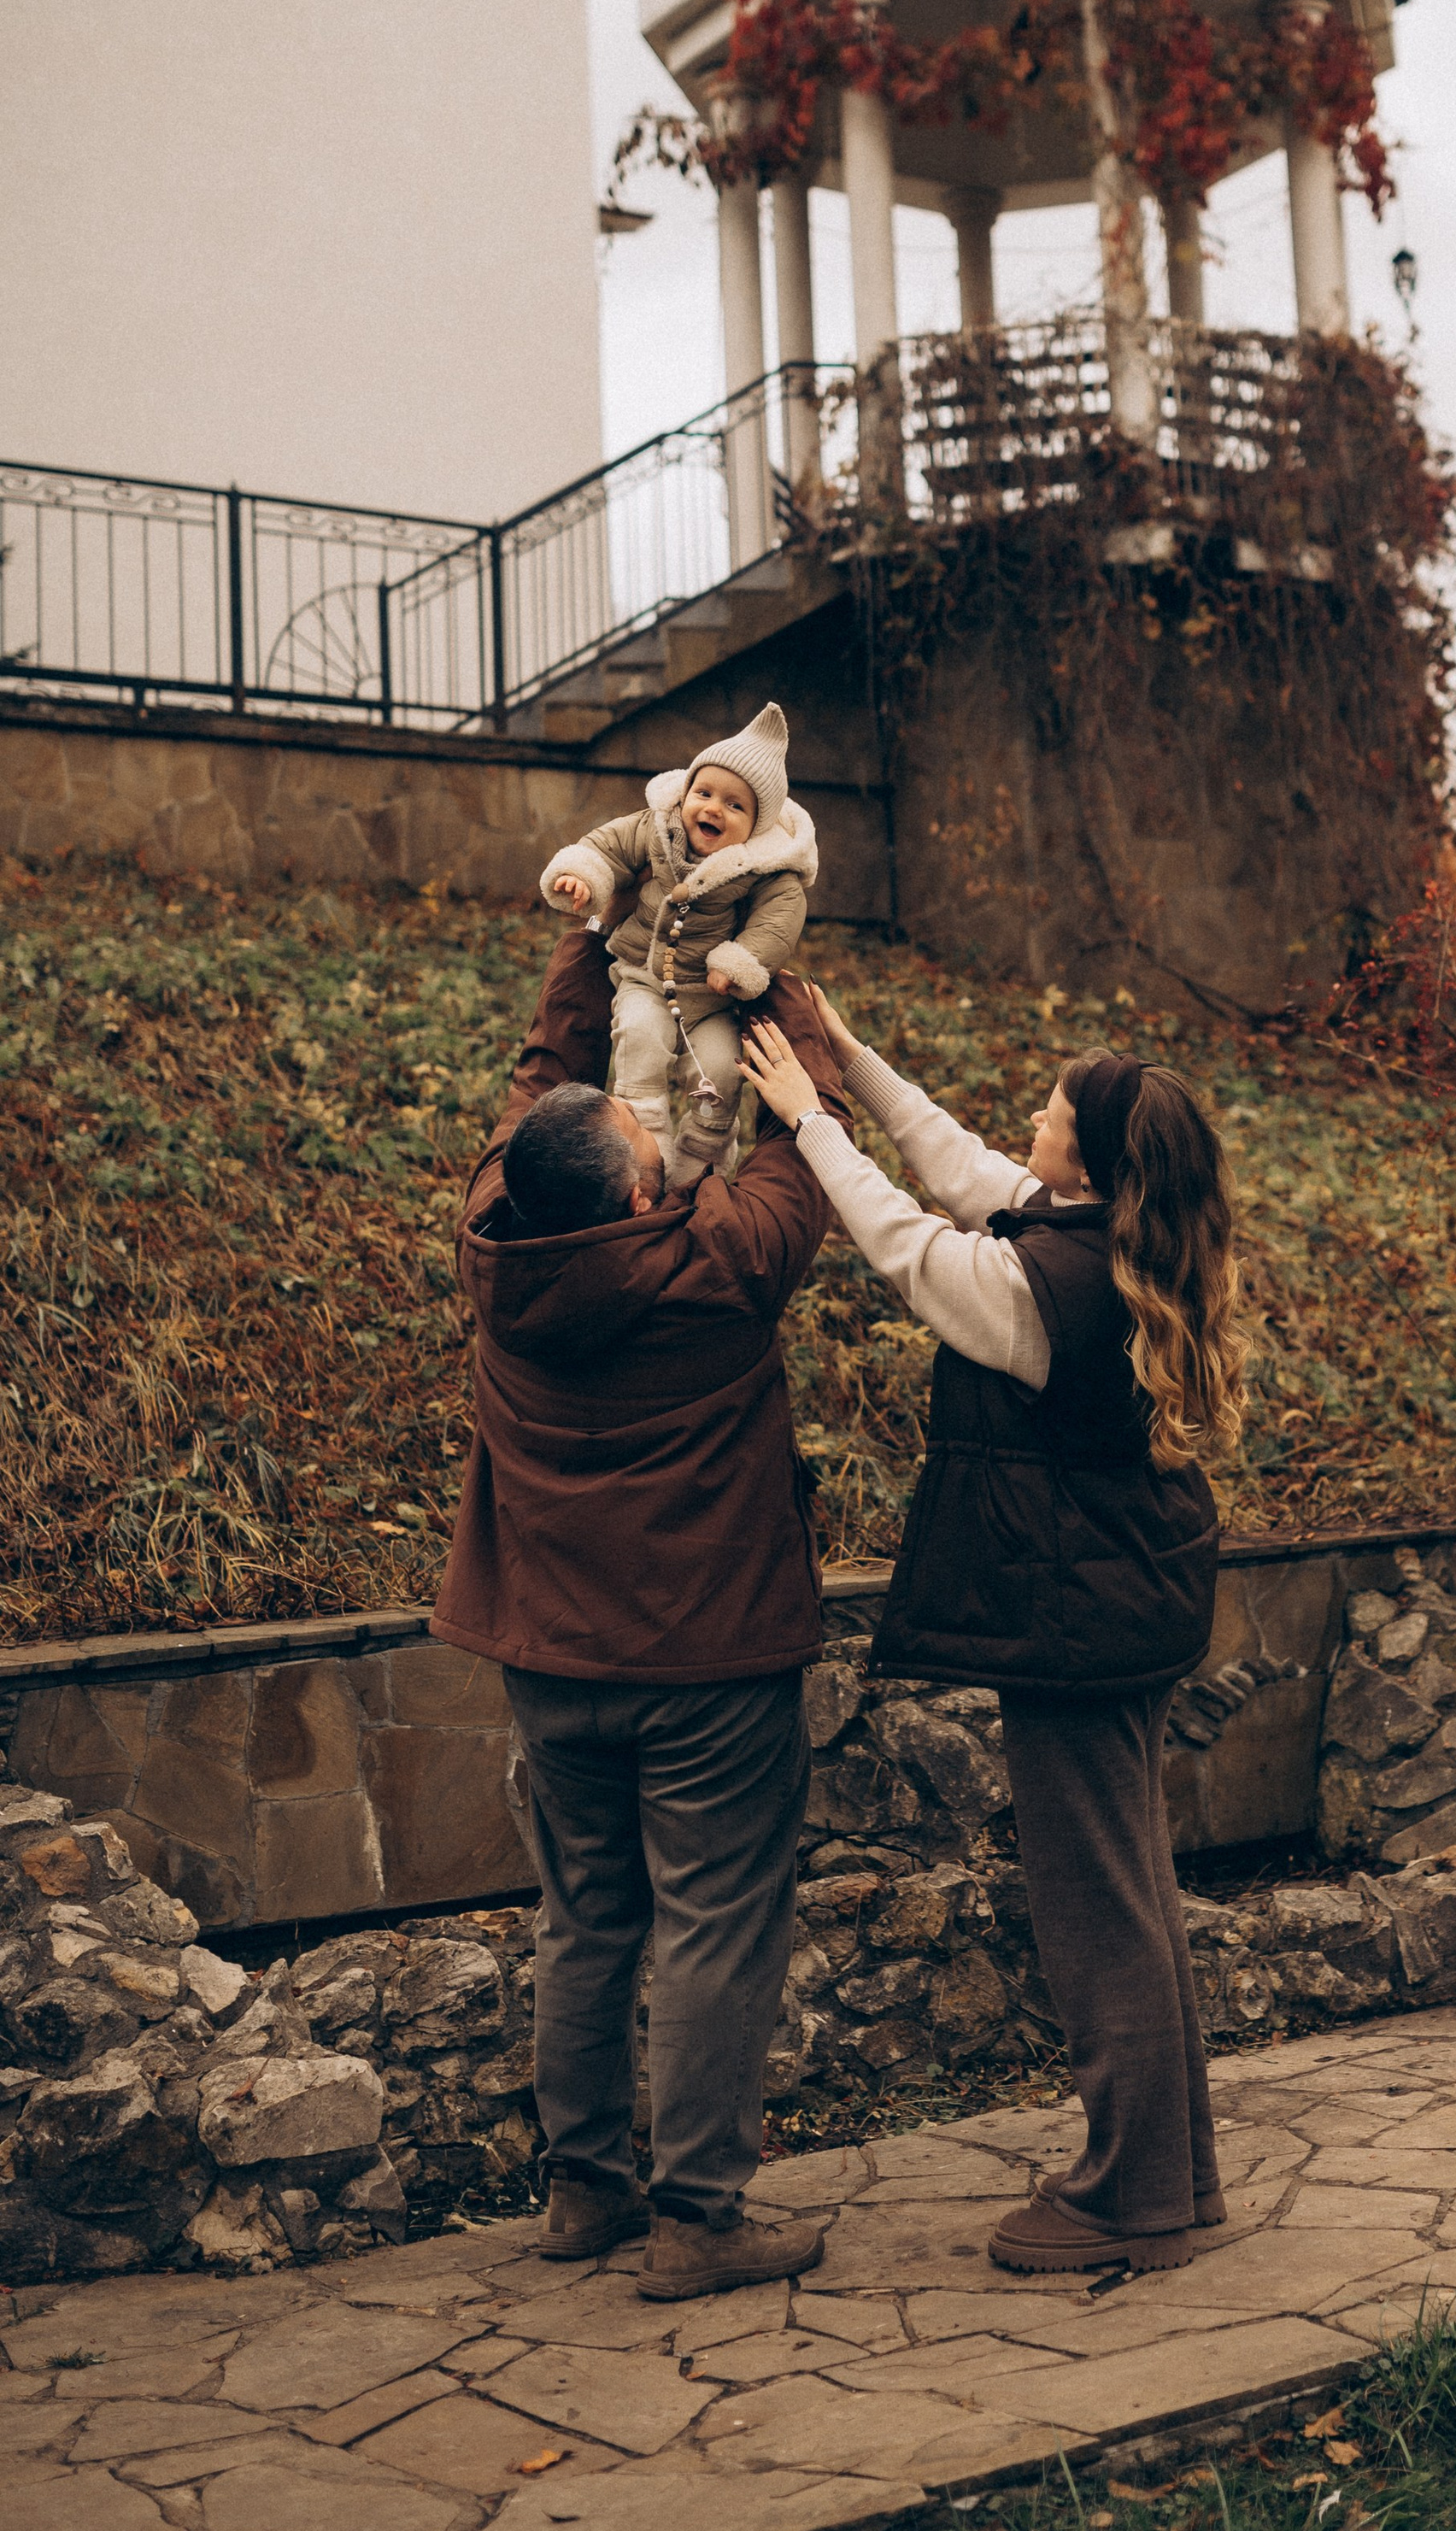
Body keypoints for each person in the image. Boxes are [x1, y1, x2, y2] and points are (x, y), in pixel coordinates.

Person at [744, 990, 1247, 2276]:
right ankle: (1170, 2178)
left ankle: (1130, 2196)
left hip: (1079, 1626)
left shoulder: (1047, 1293)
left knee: (1096, 1910)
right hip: (1131, 1606)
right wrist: (849, 1051)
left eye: (1053, 1113)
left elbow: (914, 1248)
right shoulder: (1104, 1236)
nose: (1032, 1121)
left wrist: (809, 1126)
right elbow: (963, 1167)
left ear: (1090, 1157)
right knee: (1133, 1892)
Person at [433, 922, 848, 2299]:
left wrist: (584, 935)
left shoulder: (499, 1238)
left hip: (552, 1653)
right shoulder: (716, 1259)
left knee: (586, 1917)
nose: (660, 1134)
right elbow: (806, 1159)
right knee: (715, 1921)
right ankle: (699, 2220)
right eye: (641, 1134)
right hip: (710, 1663)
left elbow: (535, 1078)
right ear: (625, 1189)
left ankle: (582, 2191)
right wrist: (772, 984)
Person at [539, 701, 818, 1183]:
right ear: (685, 791)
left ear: (757, 825)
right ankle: (643, 1148)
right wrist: (583, 876)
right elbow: (608, 844)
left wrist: (744, 959)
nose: (713, 808)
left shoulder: (761, 868)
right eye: (704, 792)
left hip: (710, 998)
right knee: (640, 1041)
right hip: (645, 977)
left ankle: (703, 1162)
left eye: (735, 805)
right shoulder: (657, 827)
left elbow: (781, 915)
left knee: (722, 1072)